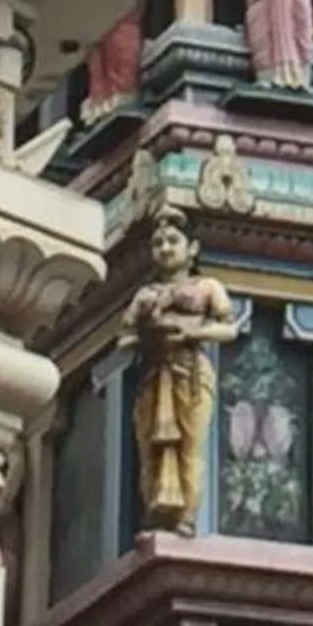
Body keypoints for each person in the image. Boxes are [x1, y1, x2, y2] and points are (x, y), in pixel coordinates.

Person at [129, 208, 241, 532]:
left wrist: (194, 334)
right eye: (158, 243)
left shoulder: (207, 287)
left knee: (189, 447)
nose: (165, 248)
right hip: (154, 372)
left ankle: (187, 518)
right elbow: (123, 337)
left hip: (191, 371)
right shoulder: (146, 295)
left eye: (173, 241)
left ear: (192, 248)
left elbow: (230, 329)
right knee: (152, 448)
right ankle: (155, 513)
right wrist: (147, 336)